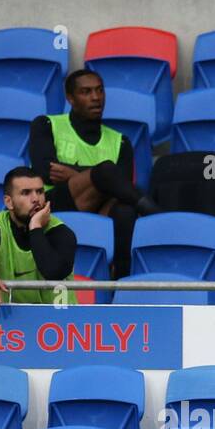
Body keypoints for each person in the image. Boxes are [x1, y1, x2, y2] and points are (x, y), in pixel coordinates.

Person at [27, 68, 158, 278]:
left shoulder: (120, 141)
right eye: (86, 92)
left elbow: (121, 188)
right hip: (52, 205)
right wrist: (99, 176)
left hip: (101, 209)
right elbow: (45, 171)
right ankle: (158, 215)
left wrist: (73, 173)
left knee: (125, 210)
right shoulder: (46, 124)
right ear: (70, 98)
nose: (96, 97)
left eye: (99, 90)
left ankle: (120, 281)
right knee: (107, 170)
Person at [0, 166, 78, 308]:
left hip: (61, 322)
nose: (35, 199)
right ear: (9, 202)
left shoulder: (61, 232)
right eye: (26, 193)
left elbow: (53, 272)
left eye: (39, 192)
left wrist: (35, 227)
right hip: (13, 325)